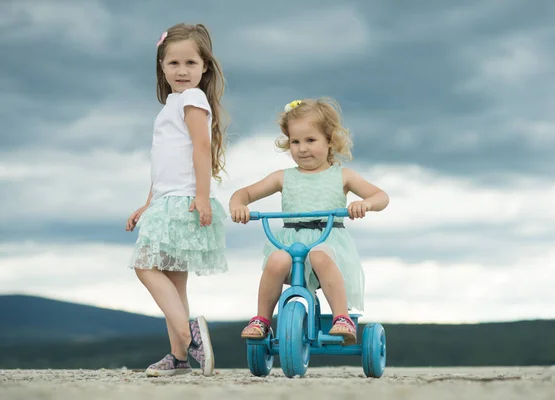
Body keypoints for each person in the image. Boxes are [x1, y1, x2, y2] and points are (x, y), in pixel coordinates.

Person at [229, 98, 389, 344]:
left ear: (330, 141)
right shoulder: (283, 178)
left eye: (311, 140)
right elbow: (244, 194)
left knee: (319, 254)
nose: (302, 148)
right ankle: (262, 319)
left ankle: (341, 318)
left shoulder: (342, 176)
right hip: (290, 243)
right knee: (277, 259)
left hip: (328, 243)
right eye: (295, 142)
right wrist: (238, 206)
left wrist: (364, 203)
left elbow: (381, 197)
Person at [125, 23, 228, 377]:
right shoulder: (172, 103)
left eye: (190, 63)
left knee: (144, 264)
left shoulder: (193, 98)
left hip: (184, 200)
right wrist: (147, 203)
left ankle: (188, 334)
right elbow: (165, 164)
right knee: (174, 279)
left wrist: (202, 196)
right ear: (162, 67)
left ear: (205, 68)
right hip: (166, 201)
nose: (182, 71)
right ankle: (180, 356)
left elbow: (201, 148)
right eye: (173, 64)